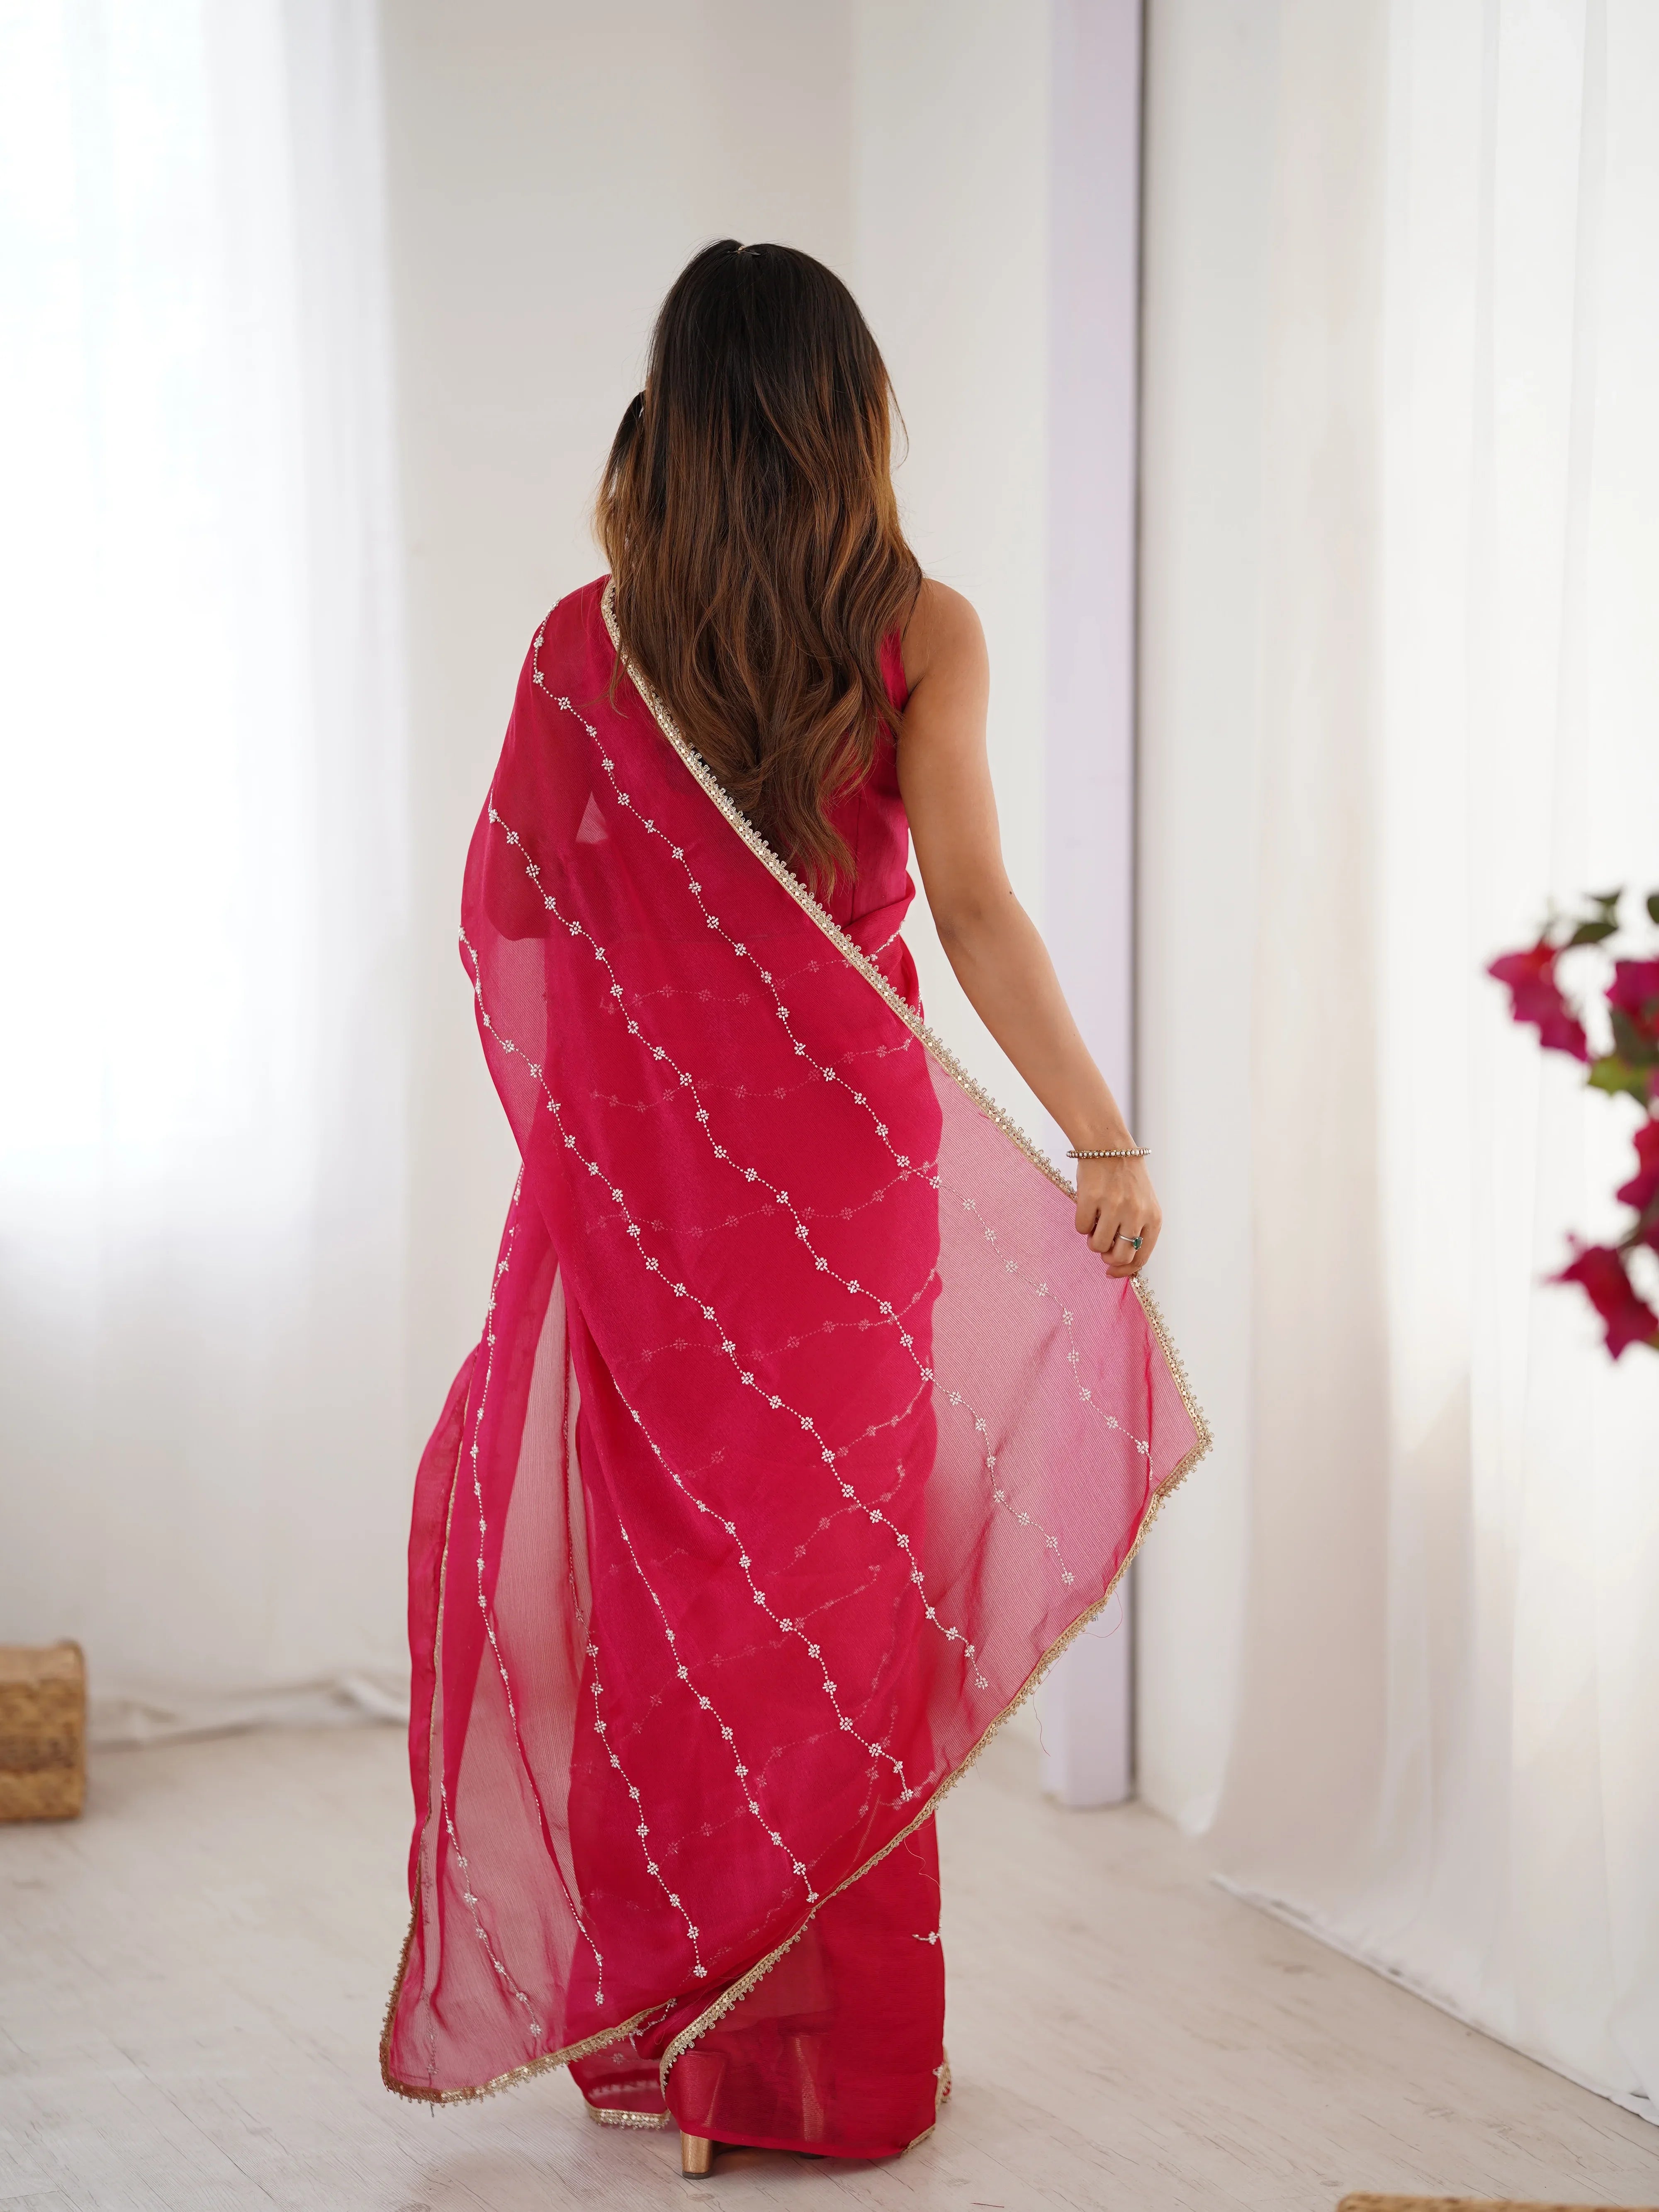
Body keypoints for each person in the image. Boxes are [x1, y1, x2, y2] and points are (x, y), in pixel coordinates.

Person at [381, 240, 1207, 2173]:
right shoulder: (914, 626)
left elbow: (508, 910)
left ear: (677, 406)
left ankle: (679, 2045)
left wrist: (639, 1072)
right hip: (843, 1181)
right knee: (839, 1599)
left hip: (667, 1188)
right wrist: (1100, 1133)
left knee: (666, 1600)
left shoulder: (587, 646)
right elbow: (979, 908)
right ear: (849, 414)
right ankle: (806, 2061)